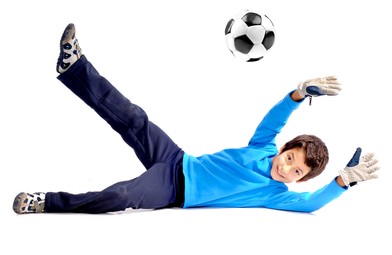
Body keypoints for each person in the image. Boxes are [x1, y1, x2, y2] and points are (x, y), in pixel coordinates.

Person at [13, 23, 379, 215]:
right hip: (176, 158)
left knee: (121, 196)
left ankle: (45, 202)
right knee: (132, 117)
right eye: (290, 159)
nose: (287, 169)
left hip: (173, 190)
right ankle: (74, 67)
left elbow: (312, 204)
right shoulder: (263, 147)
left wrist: (343, 181)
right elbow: (274, 119)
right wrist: (298, 93)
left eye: (297, 172)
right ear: (284, 149)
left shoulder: (274, 194)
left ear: (299, 181)